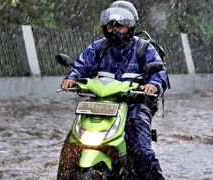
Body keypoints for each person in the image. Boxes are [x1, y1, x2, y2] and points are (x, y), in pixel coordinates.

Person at [60, 1, 167, 179]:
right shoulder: (98, 47)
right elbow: (82, 65)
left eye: (120, 25)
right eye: (111, 25)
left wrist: (153, 84)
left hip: (134, 105)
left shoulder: (143, 49)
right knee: (71, 146)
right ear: (105, 26)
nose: (115, 29)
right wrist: (71, 78)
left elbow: (159, 72)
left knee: (142, 151)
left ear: (131, 26)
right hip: (100, 105)